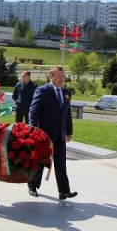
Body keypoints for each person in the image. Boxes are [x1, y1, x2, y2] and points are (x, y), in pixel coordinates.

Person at [27, 66, 78, 201]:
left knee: (61, 163)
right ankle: (33, 185)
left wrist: (69, 131)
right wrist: (34, 131)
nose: (62, 79)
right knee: (41, 161)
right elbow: (33, 112)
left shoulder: (67, 92)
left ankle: (64, 191)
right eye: (59, 76)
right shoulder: (43, 90)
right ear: (51, 77)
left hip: (60, 135)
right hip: (44, 135)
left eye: (63, 76)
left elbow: (67, 114)